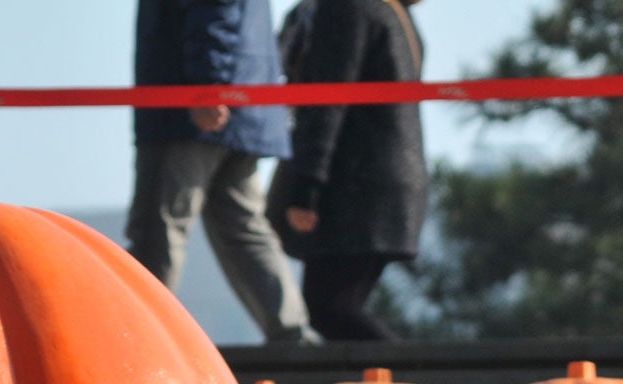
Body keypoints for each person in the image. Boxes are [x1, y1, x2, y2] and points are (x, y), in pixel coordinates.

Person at [130, 0, 318, 344]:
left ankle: (139, 338)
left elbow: (215, 9)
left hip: (191, 111)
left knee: (159, 230)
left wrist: (209, 84)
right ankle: (295, 336)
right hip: (237, 104)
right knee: (243, 227)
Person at [270, 0, 428, 341]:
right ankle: (405, 383)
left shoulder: (346, 8)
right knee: (337, 308)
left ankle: (415, 382)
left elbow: (327, 102)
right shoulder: (392, 12)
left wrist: (307, 187)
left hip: (356, 185)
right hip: (390, 180)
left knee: (329, 309)